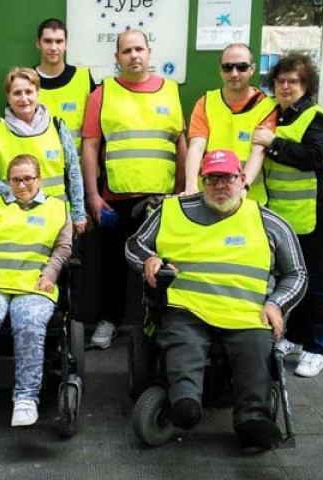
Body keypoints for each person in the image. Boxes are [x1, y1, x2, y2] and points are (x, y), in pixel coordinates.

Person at [126, 149, 307, 450]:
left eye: (228, 178)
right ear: (202, 180)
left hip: (247, 312)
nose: (221, 186)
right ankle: (184, 402)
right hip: (186, 306)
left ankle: (252, 418)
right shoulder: (170, 211)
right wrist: (148, 260)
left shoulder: (270, 222)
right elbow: (134, 244)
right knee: (183, 341)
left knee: (256, 347)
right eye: (213, 179)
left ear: (242, 179)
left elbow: (297, 273)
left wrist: (276, 303)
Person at [81, 29, 187, 349]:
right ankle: (109, 321)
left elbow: (180, 143)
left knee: (162, 264)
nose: (134, 56)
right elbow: (90, 146)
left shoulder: (170, 90)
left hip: (163, 199)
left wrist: (183, 189)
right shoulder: (103, 93)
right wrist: (92, 195)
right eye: (126, 51)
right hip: (116, 198)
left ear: (149, 52)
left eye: (139, 49)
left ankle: (161, 324)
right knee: (113, 263)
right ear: (117, 58)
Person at [252, 54, 323, 378]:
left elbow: (314, 158)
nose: (285, 86)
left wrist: (274, 144)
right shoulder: (275, 117)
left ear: (306, 85)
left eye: (293, 81)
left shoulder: (317, 119)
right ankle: (294, 337)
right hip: (288, 217)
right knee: (292, 281)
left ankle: (316, 348)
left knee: (319, 285)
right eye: (280, 81)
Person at [0, 155, 72, 427]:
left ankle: (25, 397)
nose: (22, 184)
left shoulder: (58, 209)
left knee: (29, 323)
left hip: (34, 286)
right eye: (16, 179)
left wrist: (50, 274)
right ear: (7, 181)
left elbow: (63, 248)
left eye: (28, 178)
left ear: (39, 179)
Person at [0, 68, 86, 236]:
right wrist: (16, 192)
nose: (24, 98)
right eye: (17, 93)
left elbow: (74, 173)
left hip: (56, 218)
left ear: (37, 93)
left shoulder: (57, 127)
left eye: (29, 91)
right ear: (8, 97)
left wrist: (78, 213)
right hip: (13, 219)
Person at [182, 43, 277, 204]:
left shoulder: (266, 107)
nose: (234, 73)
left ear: (252, 69)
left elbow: (258, 152)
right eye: (228, 67)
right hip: (211, 196)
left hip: (249, 199)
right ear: (220, 70)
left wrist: (243, 188)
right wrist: (190, 185)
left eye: (241, 67)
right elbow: (196, 147)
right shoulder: (206, 103)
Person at [33, 18, 95, 152]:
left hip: (78, 169)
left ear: (66, 44)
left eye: (59, 41)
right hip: (39, 169)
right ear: (38, 43)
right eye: (48, 41)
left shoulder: (83, 78)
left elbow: (96, 129)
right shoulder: (26, 80)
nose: (53, 47)